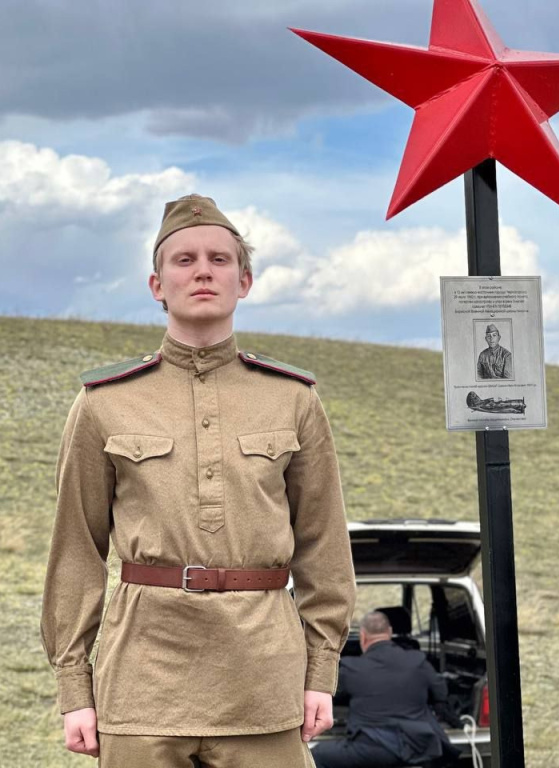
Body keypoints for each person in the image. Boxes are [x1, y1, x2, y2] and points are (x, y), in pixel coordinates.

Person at [41, 194, 356, 767]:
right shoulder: (104, 403)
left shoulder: (293, 399)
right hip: (142, 680)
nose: (203, 271)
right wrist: (74, 688)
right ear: (156, 285)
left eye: (219, 259)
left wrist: (320, 673)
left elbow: (324, 546)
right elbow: (76, 551)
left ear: (245, 280)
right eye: (184, 260)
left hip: (264, 680)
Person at [312, 612, 460, 768]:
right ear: (389, 632)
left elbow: (327, 695)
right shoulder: (418, 660)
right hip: (420, 747)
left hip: (372, 749)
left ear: (363, 636)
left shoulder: (351, 668)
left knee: (314, 756)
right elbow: (440, 694)